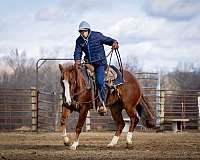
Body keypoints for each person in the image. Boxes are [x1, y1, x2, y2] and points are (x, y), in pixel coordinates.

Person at [73, 21, 119, 115]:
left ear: (88, 30)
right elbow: (77, 52)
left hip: (100, 64)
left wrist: (114, 42)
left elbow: (108, 40)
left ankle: (102, 102)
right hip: (88, 63)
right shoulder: (79, 41)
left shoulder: (97, 36)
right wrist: (77, 60)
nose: (83, 33)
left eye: (84, 31)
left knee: (99, 81)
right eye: (81, 31)